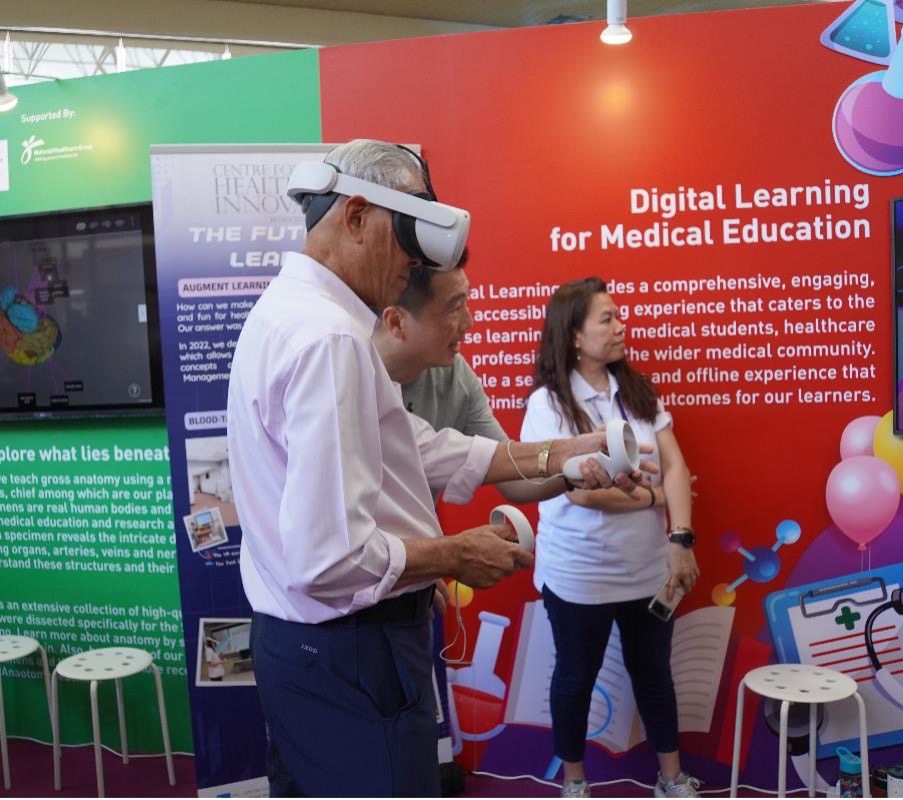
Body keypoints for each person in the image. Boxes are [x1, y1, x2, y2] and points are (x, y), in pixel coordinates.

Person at [227, 140, 651, 798]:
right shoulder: (331, 339)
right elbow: (329, 557)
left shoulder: (293, 314)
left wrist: (564, 454)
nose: (411, 266)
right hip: (351, 650)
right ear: (357, 216)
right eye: (408, 241)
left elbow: (416, 447)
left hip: (303, 646)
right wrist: (454, 554)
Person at [520, 277, 701, 799]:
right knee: (575, 678)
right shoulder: (548, 404)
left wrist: (680, 538)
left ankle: (672, 779)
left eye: (620, 316)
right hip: (579, 574)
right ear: (574, 335)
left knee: (655, 675)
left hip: (646, 569)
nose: (622, 326)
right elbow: (581, 493)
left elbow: (676, 464)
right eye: (607, 319)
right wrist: (658, 498)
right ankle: (575, 784)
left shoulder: (638, 390)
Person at [372, 262, 670, 508]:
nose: (469, 322)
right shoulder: (353, 378)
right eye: (454, 308)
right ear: (397, 322)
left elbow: (514, 476)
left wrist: (575, 464)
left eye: (467, 303)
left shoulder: (456, 376)